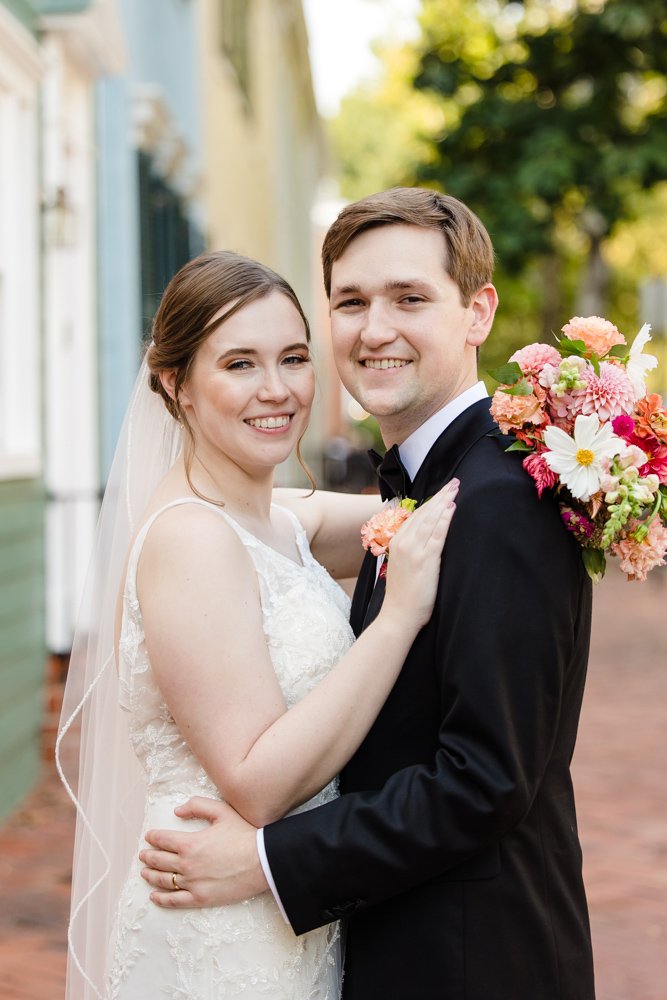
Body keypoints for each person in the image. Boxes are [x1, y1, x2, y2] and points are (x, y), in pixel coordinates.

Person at [139, 189, 596, 1000]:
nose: (374, 330)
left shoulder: (495, 501)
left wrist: (268, 860)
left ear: (477, 313)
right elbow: (255, 517)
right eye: (351, 302)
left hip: (472, 963)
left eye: (409, 299)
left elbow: (484, 782)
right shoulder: (424, 499)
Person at [56, 248, 458, 999]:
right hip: (217, 930)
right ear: (174, 384)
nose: (276, 390)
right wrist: (396, 619)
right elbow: (257, 784)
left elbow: (426, 509)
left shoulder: (274, 519)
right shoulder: (189, 540)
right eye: (239, 364)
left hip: (287, 912)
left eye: (294, 358)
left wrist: (558, 445)